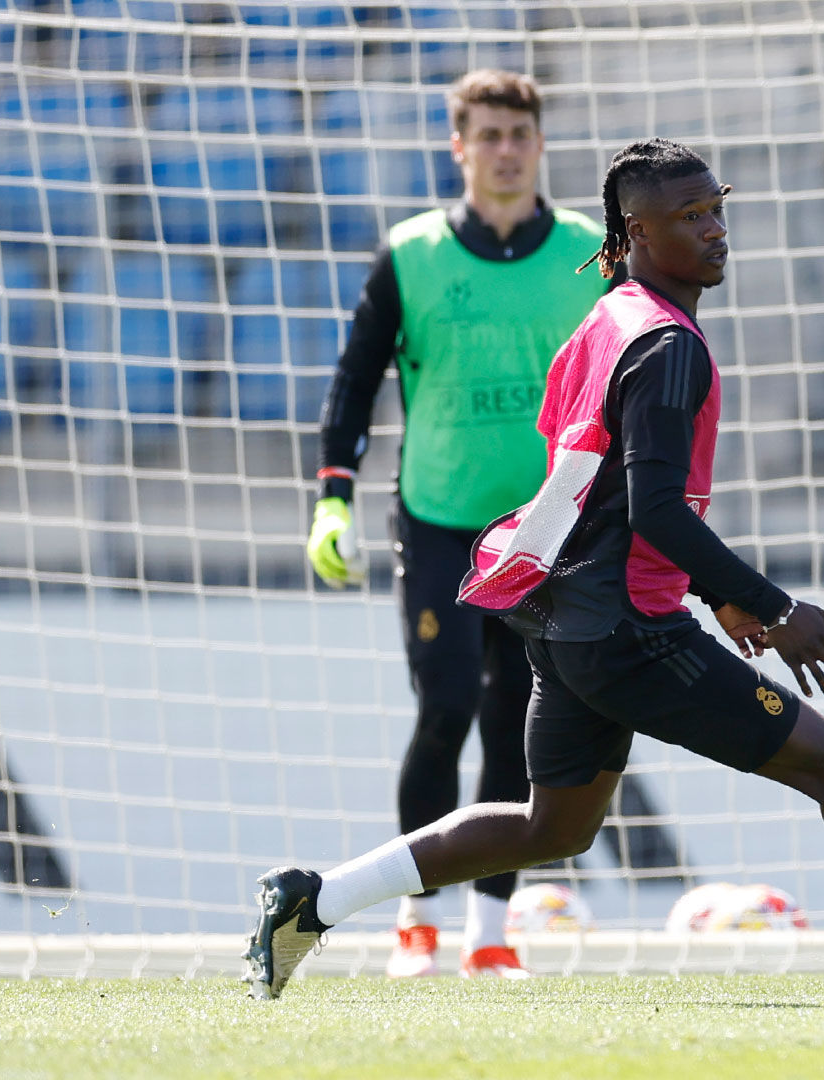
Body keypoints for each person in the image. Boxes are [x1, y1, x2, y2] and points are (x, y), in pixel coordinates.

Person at [245, 138, 824, 1004]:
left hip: (571, 617)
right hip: (627, 627)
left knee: (552, 825)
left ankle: (314, 902)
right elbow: (654, 508)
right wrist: (771, 606)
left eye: (716, 209)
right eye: (690, 216)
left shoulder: (605, 320)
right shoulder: (668, 346)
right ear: (636, 231)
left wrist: (710, 592)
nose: (714, 230)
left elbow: (602, 489)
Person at [304, 69, 612, 979]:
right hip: (439, 519)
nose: (505, 150)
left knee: (518, 719)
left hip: (549, 528)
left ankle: (490, 929)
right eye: (487, 134)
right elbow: (354, 382)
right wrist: (331, 495)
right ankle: (418, 921)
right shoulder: (412, 254)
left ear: (540, 143)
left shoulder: (593, 254)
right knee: (443, 709)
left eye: (519, 133)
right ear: (458, 146)